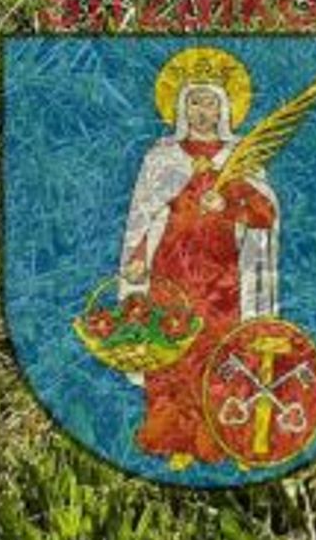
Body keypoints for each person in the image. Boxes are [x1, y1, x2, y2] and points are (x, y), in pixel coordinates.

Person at [117, 47, 278, 470]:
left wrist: (229, 201)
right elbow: (144, 214)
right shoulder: (162, 158)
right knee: (171, 347)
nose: (202, 112)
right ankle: (174, 439)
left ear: (224, 109)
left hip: (220, 271)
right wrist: (137, 258)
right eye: (194, 103)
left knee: (218, 346)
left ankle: (220, 436)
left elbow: (265, 215)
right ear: (181, 108)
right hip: (171, 267)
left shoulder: (239, 159)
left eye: (210, 103)